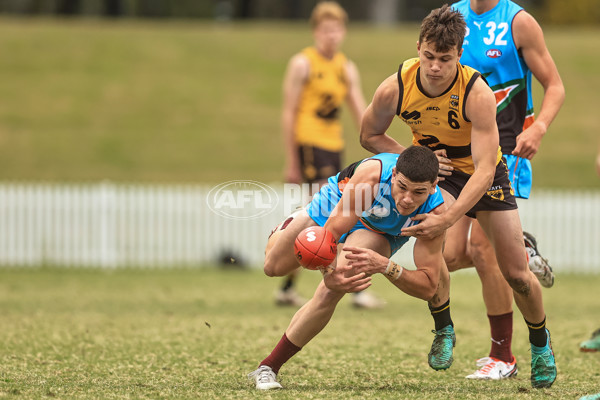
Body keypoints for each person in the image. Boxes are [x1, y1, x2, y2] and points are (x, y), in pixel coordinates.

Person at [359, 5, 556, 388]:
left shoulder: (476, 91)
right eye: (429, 56)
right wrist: (414, 158)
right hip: (442, 174)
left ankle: (540, 343)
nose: (434, 67)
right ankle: (444, 329)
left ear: (460, 54)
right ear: (418, 47)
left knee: (516, 274)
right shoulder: (396, 86)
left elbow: (483, 170)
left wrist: (451, 218)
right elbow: (369, 136)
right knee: (429, 240)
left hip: (487, 173)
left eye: (445, 59)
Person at [432, 0, 565, 380]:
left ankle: (503, 356)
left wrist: (537, 128)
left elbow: (555, 85)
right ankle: (519, 246)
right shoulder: (451, 16)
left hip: (506, 152)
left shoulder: (518, 22)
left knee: (480, 249)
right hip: (460, 158)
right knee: (453, 255)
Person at [248, 147, 446, 390]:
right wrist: (327, 271)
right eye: (402, 187)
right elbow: (332, 232)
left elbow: (428, 287)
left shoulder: (435, 213)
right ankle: (298, 218)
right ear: (394, 174)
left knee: (330, 291)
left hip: (379, 231)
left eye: (419, 192)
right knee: (273, 267)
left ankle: (267, 368)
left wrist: (386, 266)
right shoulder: (371, 177)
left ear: (434, 186)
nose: (407, 199)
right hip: (339, 202)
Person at [276, 1, 382, 309]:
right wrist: (291, 160)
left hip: (334, 147)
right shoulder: (302, 64)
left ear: (344, 32)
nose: (331, 36)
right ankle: (351, 286)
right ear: (315, 32)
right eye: (325, 30)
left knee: (318, 215)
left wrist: (379, 147)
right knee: (329, 215)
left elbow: (362, 111)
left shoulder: (346, 67)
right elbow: (289, 112)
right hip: (309, 144)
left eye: (336, 29)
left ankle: (287, 286)